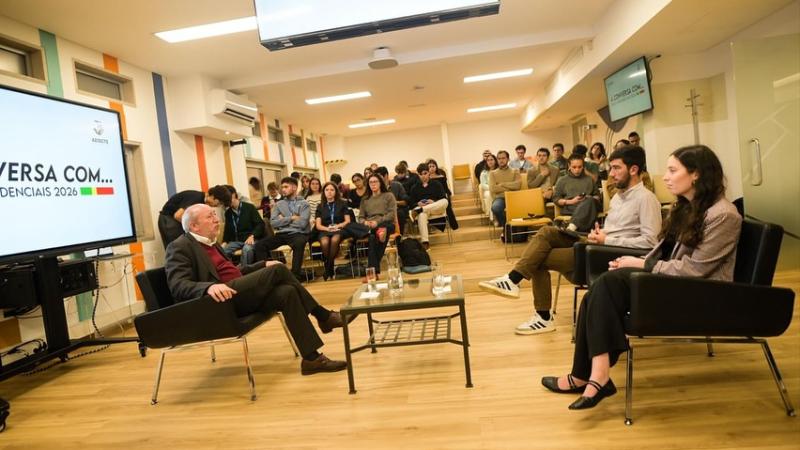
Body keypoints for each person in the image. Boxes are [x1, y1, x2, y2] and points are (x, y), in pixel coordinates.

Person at [541, 145, 741, 410]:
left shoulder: (723, 215)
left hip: (701, 293)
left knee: (607, 283)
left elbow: (695, 270)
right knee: (598, 290)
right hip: (677, 282)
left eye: (673, 170)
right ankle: (590, 376)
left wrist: (642, 264)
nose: (665, 177)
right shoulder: (687, 207)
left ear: (696, 174)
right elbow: (665, 251)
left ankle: (592, 377)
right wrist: (637, 262)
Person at [479, 146, 661, 334]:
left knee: (537, 259)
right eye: (611, 168)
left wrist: (608, 240)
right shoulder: (618, 198)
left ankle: (540, 314)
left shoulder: (646, 199)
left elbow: (650, 243)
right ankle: (512, 281)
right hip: (597, 244)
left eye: (616, 168)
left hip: (608, 255)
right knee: (547, 231)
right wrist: (600, 233)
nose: (611, 174)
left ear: (633, 169)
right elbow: (617, 230)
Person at [165, 204, 349, 375]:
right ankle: (322, 315)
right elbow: (177, 285)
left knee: (287, 292)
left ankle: (311, 359)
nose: (216, 219)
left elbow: (235, 271)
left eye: (215, 215)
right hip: (221, 303)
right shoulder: (180, 246)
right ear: (194, 226)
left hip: (239, 293)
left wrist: (262, 264)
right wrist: (209, 287)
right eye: (210, 216)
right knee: (278, 270)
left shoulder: (211, 243)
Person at [253, 177, 310, 280]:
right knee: (259, 245)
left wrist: (282, 220)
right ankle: (268, 276)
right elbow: (273, 223)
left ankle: (295, 276)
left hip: (298, 233)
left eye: (286, 187)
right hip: (281, 234)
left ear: (294, 187)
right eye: (282, 187)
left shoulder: (304, 203)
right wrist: (291, 218)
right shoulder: (279, 204)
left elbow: (302, 223)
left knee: (299, 243)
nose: (283, 189)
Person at [158, 185, 232, 249]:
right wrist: (195, 227)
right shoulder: (196, 198)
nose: (217, 206)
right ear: (212, 196)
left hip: (175, 221)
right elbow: (178, 215)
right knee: (177, 248)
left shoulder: (202, 203)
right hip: (168, 220)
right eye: (219, 203)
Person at [358, 174, 396, 275]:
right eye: (371, 182)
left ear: (380, 183)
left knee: (382, 229)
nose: (373, 184)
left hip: (386, 223)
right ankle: (374, 271)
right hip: (370, 226)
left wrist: (377, 222)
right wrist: (365, 222)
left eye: (375, 181)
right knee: (372, 237)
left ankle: (371, 272)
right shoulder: (365, 199)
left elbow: (391, 214)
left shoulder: (389, 196)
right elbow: (360, 217)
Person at [552, 154, 600, 232]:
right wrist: (571, 201)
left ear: (583, 167)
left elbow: (597, 197)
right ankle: (575, 230)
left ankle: (571, 228)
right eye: (574, 167)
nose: (577, 170)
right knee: (588, 211)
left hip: (589, 207)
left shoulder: (589, 179)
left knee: (589, 201)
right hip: (571, 208)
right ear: (569, 166)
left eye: (579, 167)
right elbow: (556, 199)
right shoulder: (562, 180)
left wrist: (588, 198)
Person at [315, 182, 351, 281]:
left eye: (332, 190)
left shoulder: (343, 203)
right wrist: (328, 229)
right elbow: (318, 225)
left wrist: (337, 226)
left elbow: (347, 221)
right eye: (327, 190)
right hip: (325, 229)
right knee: (325, 242)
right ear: (323, 192)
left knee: (335, 240)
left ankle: (328, 269)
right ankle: (330, 268)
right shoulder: (320, 206)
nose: (329, 192)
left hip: (340, 229)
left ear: (336, 192)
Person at [222, 186, 265, 266]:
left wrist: (252, 235)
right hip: (236, 241)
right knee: (223, 251)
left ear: (234, 195)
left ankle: (244, 270)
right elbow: (227, 230)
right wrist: (224, 242)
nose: (225, 202)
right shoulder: (228, 213)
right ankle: (230, 270)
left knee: (247, 249)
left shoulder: (249, 207)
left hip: (251, 238)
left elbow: (260, 224)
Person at [409, 163, 449, 249]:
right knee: (421, 214)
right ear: (418, 175)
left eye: (425, 173)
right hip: (425, 212)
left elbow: (443, 197)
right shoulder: (414, 188)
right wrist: (418, 204)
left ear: (429, 173)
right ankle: (425, 242)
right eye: (421, 174)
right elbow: (411, 204)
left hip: (436, 209)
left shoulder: (437, 184)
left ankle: (420, 210)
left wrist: (434, 201)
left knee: (445, 201)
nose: (423, 176)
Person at [489, 150, 521, 233]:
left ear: (508, 159)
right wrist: (510, 186)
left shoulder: (515, 171)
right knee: (495, 207)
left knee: (523, 207)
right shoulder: (492, 173)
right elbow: (493, 188)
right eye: (499, 158)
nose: (501, 160)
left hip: (514, 197)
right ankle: (507, 227)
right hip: (500, 198)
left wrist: (502, 184)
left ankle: (510, 230)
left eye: (503, 158)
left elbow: (517, 186)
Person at [376, 166, 409, 235]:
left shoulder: (397, 185)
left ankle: (399, 236)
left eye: (379, 177)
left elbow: (405, 202)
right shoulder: (376, 188)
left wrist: (394, 202)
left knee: (400, 214)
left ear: (386, 175)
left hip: (396, 210)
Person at [427, 159, 459, 230]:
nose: (431, 168)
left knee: (447, 202)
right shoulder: (427, 178)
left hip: (442, 195)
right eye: (430, 166)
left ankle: (453, 225)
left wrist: (447, 194)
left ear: (436, 167)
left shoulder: (441, 176)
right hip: (431, 197)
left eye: (433, 166)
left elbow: (446, 189)